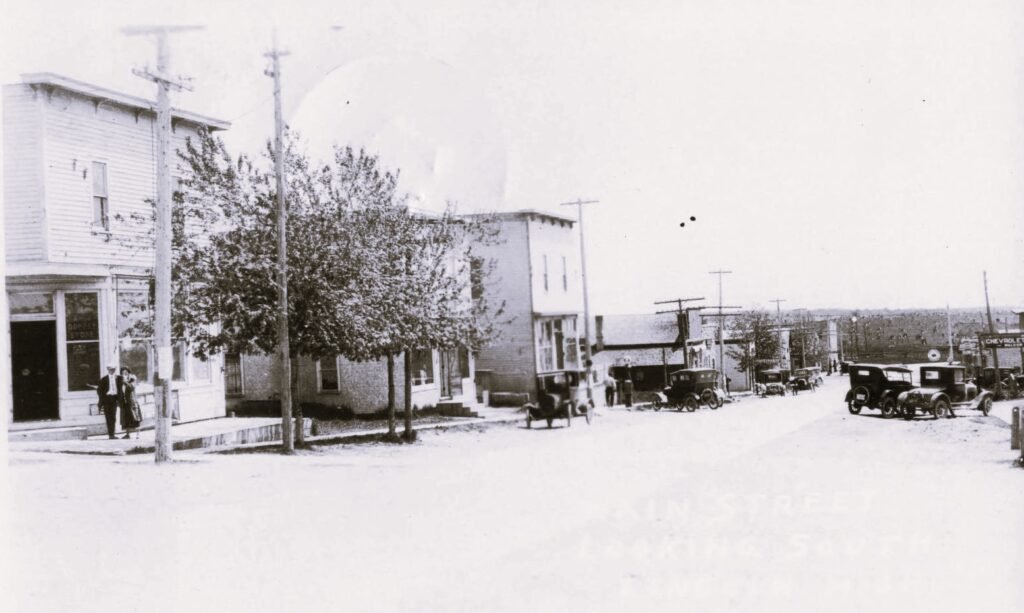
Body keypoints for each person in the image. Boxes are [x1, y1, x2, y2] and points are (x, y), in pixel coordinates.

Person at [97, 364, 124, 440]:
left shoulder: (118, 378)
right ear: (108, 369)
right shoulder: (103, 379)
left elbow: (121, 389)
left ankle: (112, 434)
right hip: (107, 399)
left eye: (113, 369)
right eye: (110, 369)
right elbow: (99, 390)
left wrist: (120, 399)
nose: (112, 371)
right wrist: (102, 399)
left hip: (115, 398)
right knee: (108, 417)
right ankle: (111, 434)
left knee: (113, 417)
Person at [119, 367, 142, 439]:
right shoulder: (121, 381)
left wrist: (125, 382)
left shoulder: (132, 379)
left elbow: (131, 388)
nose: (124, 374)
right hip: (125, 402)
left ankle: (138, 434)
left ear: (129, 373)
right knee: (126, 418)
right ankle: (127, 434)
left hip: (132, 401)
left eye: (126, 373)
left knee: (135, 417)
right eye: (123, 373)